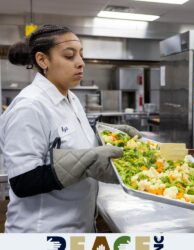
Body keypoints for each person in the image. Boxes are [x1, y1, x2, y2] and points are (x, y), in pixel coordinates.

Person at [0, 24, 141, 232]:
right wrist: (87, 161)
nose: (81, 63)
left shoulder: (70, 97)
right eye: (69, 56)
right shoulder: (29, 106)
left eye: (81, 55)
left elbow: (72, 139)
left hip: (78, 227)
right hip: (43, 232)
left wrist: (111, 135)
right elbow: (23, 181)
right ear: (42, 60)